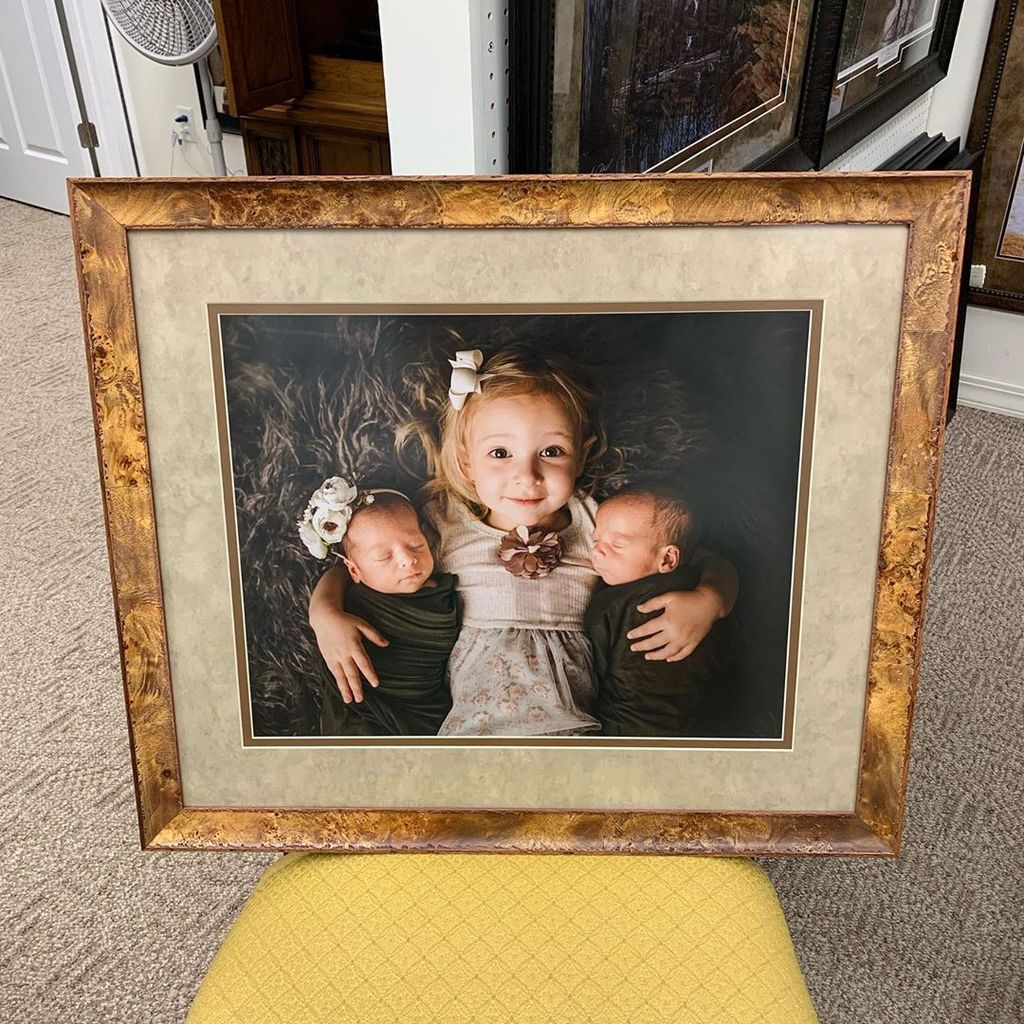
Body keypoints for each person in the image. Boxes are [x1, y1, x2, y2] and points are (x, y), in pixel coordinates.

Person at [309, 345, 738, 737]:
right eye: (500, 454)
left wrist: (710, 599)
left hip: (573, 725)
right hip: (473, 728)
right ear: (467, 462)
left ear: (582, 455)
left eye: (551, 452)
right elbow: (352, 566)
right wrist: (324, 615)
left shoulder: (599, 523)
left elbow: (703, 560)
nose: (527, 476)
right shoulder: (445, 526)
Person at [314, 489, 460, 737]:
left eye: (416, 544)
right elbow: (336, 574)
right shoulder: (354, 597)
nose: (407, 559)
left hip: (427, 709)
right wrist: (325, 613)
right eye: (384, 556)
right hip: (367, 708)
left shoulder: (445, 585)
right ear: (354, 570)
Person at [587, 482, 726, 736]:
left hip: (630, 727)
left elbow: (585, 668)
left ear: (667, 559)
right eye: (596, 539)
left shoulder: (612, 606)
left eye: (616, 545)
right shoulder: (699, 579)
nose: (597, 551)